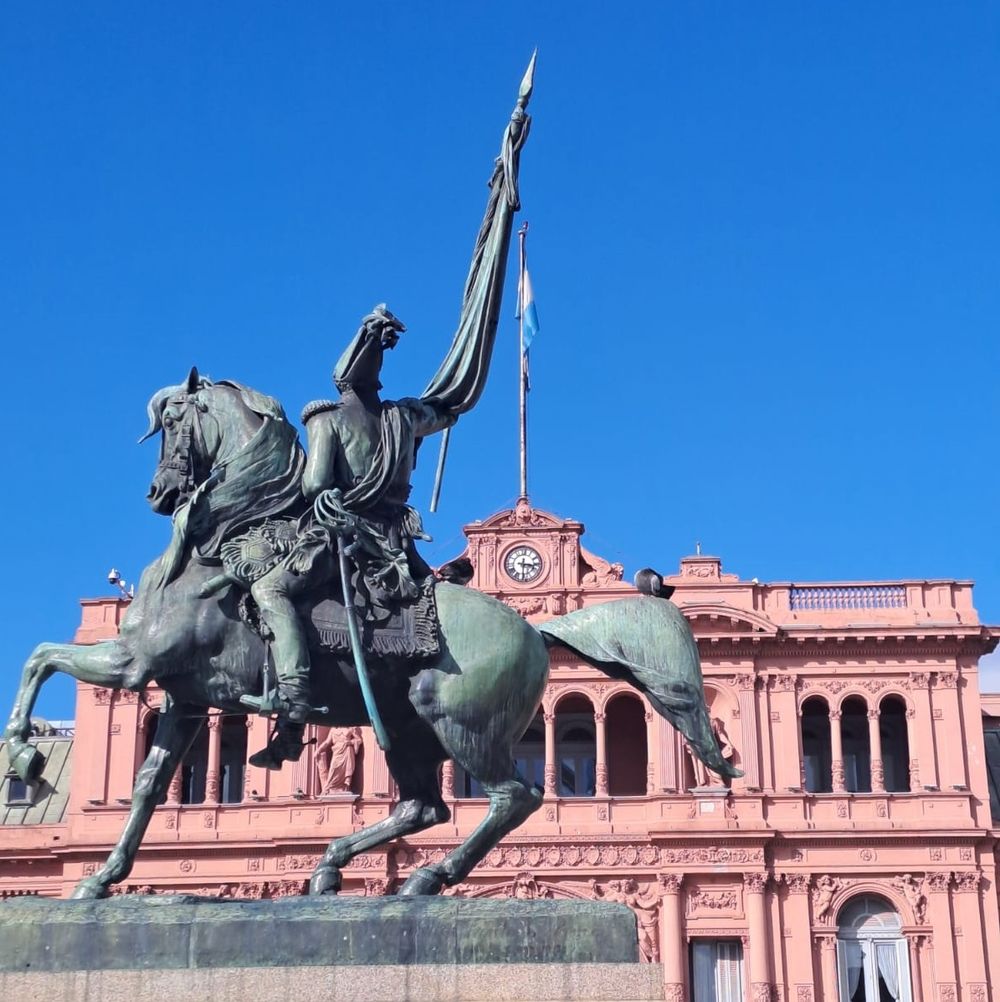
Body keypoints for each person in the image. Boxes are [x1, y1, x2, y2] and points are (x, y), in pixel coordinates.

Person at [242, 305, 455, 767]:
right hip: (396, 543)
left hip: (342, 536)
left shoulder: (327, 420)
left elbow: (316, 484)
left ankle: (294, 699)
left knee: (268, 587)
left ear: (341, 381)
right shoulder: (405, 418)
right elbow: (449, 405)